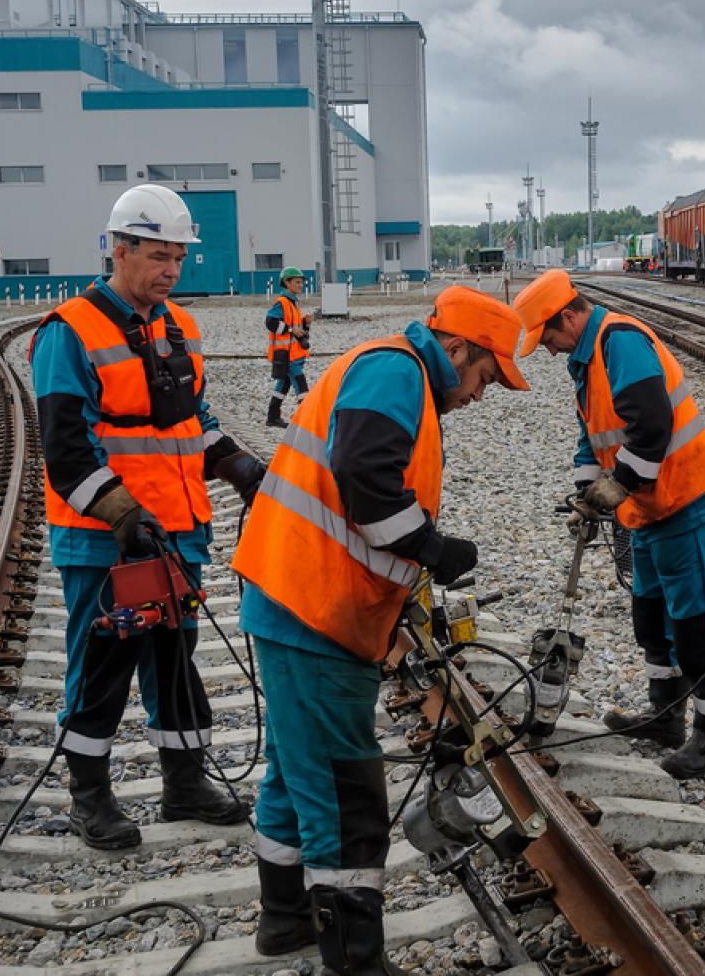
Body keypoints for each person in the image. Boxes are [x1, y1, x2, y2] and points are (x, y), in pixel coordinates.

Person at [232, 286, 530, 975]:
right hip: (314, 612)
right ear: (458, 348)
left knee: (293, 776)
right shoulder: (395, 370)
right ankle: (355, 961)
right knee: (346, 793)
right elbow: (364, 477)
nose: (483, 394)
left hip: (299, 601)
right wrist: (433, 546)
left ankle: (284, 920)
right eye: (486, 375)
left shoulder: (397, 375)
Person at [29, 183, 265, 850]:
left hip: (178, 532)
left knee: (172, 658)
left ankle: (184, 784)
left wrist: (240, 466)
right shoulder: (68, 333)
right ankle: (90, 798)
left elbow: (193, 422)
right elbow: (66, 452)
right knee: (103, 662)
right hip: (107, 540)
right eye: (158, 256)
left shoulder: (180, 327)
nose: (170, 270)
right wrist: (125, 515)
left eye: (178, 259)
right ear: (118, 249)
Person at [512, 269, 705, 780]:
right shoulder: (585, 358)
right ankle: (665, 715)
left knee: (697, 622)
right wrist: (584, 493)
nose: (547, 349)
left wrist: (613, 491)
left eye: (547, 336)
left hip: (688, 501)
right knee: (653, 616)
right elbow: (594, 436)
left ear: (569, 316)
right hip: (649, 510)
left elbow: (653, 428)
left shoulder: (620, 341)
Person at [265, 267, 312, 428]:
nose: (301, 285)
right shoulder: (282, 302)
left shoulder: (293, 303)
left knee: (283, 384)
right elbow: (270, 323)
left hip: (293, 354)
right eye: (297, 282)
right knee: (301, 385)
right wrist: (292, 329)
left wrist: (305, 324)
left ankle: (272, 417)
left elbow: (297, 330)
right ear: (287, 282)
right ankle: (306, 420)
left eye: (301, 282)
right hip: (287, 354)